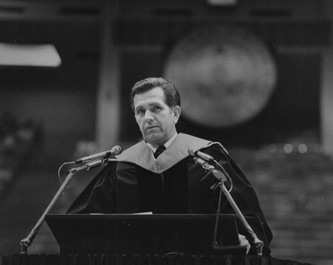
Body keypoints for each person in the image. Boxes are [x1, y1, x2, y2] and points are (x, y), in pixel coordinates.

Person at [67, 77, 273, 255]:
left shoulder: (207, 158)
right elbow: (79, 227)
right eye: (140, 111)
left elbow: (249, 223)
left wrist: (238, 238)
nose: (148, 117)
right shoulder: (121, 166)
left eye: (156, 108)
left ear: (175, 113)